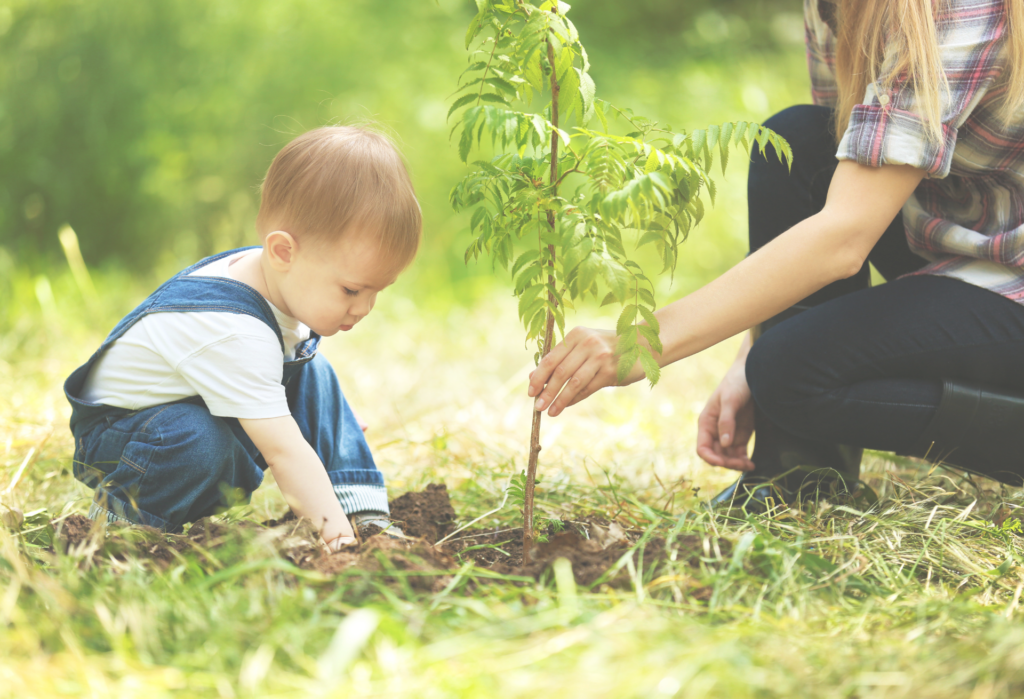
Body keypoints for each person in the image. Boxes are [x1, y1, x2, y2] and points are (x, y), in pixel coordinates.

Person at [526, 0, 1024, 506]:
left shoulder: (957, 10)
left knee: (788, 374)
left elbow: (845, 236)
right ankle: (801, 480)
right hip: (968, 247)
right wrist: (753, 345)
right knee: (796, 141)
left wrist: (643, 344)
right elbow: (847, 174)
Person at [64, 126, 421, 548]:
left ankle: (360, 509)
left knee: (313, 370)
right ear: (283, 251)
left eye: (378, 290)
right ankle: (118, 530)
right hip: (123, 442)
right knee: (199, 440)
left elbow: (292, 381)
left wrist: (325, 421)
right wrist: (333, 539)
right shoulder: (233, 331)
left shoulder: (274, 279)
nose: (364, 308)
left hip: (179, 413)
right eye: (351, 290)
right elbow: (284, 452)